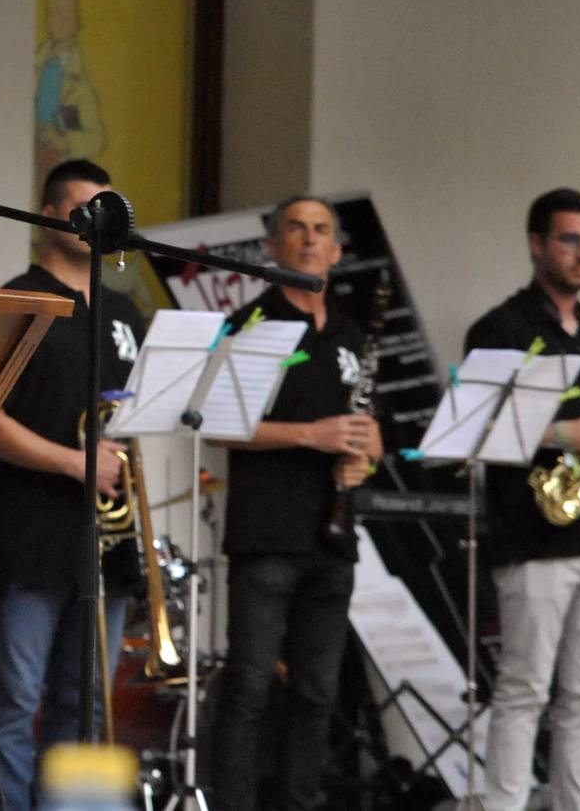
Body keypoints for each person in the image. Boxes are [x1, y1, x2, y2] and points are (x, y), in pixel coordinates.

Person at [466, 187, 580, 811]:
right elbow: (478, 428)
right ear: (537, 244)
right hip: (534, 536)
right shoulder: (499, 329)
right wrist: (571, 432)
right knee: (524, 691)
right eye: (570, 240)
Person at [0, 159, 144, 811]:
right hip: (30, 532)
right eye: (84, 208)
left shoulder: (128, 312)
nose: (99, 222)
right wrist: (77, 463)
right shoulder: (22, 298)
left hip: (105, 537)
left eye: (109, 210)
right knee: (16, 702)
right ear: (50, 216)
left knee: (89, 703)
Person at [210, 195, 381, 811]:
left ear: (336, 251)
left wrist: (366, 450)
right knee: (250, 689)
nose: (309, 240)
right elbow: (218, 425)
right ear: (272, 247)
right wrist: (312, 435)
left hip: (333, 539)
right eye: (296, 229)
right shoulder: (252, 325)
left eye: (321, 231)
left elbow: (369, 429)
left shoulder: (352, 334)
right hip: (266, 534)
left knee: (317, 694)